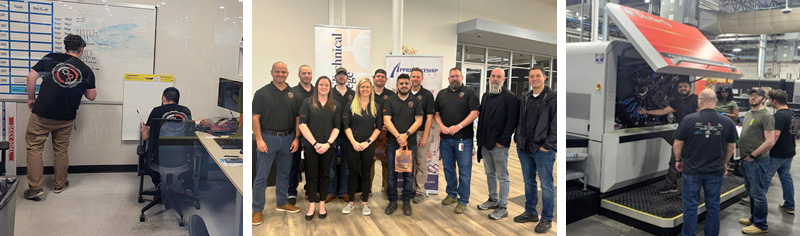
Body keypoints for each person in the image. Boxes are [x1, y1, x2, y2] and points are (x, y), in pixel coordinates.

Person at [23, 34, 97, 199]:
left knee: (34, 148)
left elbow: (31, 78)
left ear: (66, 46)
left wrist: (31, 98)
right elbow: (92, 96)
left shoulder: (51, 58)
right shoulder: (85, 70)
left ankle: (35, 189)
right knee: (61, 150)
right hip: (66, 117)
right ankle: (59, 185)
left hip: (42, 113)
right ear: (82, 49)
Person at [673, 89, 737, 236]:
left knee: (690, 206)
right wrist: (725, 163)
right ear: (715, 101)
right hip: (715, 171)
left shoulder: (689, 119)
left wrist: (678, 160)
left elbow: (677, 143)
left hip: (691, 170)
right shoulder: (727, 121)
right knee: (713, 205)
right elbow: (732, 146)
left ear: (700, 101)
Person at [252, 61, 302, 225]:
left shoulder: (293, 94)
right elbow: (255, 118)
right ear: (271, 72)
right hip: (267, 139)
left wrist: (296, 138)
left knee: (284, 174)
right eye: (277, 72)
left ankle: (282, 202)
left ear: (287, 73)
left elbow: (297, 119)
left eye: (283, 72)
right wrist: (259, 139)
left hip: (288, 139)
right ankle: (257, 210)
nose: (280, 74)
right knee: (261, 177)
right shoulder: (262, 93)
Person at [637, 77, 699, 194]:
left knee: (691, 164)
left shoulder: (696, 99)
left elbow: (703, 113)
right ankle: (671, 185)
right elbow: (663, 111)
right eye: (680, 87)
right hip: (681, 136)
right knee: (674, 161)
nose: (683, 89)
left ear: (690, 88)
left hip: (694, 136)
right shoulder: (676, 102)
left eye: (685, 86)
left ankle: (690, 191)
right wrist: (646, 112)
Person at [514, 66, 557, 233]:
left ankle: (547, 218)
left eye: (537, 76)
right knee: (529, 181)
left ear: (544, 77)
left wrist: (548, 145)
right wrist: (517, 139)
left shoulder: (553, 98)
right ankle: (531, 212)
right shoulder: (525, 97)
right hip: (524, 147)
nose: (534, 79)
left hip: (543, 150)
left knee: (546, 185)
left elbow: (556, 124)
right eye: (531, 76)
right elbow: (520, 120)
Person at [434, 68, 479, 214]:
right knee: (448, 169)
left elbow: (474, 113)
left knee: (464, 171)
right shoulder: (441, 94)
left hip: (463, 140)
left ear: (462, 77)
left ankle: (463, 200)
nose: (454, 78)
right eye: (452, 76)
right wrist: (442, 127)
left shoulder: (469, 92)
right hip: (446, 139)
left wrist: (458, 126)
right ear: (448, 79)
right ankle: (452, 194)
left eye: (457, 76)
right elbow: (436, 114)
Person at [476, 68, 519, 220]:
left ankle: (503, 206)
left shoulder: (510, 97)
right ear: (489, 78)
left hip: (499, 145)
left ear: (504, 79)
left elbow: (511, 122)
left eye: (498, 77)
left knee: (502, 176)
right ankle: (492, 199)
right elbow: (482, 120)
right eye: (493, 76)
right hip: (485, 143)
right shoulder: (486, 95)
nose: (495, 79)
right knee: (489, 173)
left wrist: (502, 142)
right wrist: (479, 141)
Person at [298, 76, 341, 221]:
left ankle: (322, 205)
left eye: (326, 85)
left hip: (328, 147)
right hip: (311, 147)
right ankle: (311, 206)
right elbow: (303, 125)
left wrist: (328, 144)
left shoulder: (335, 104)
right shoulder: (308, 102)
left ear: (330, 87)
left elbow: (337, 127)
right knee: (311, 176)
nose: (324, 87)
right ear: (317, 86)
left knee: (325, 175)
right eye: (321, 84)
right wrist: (315, 144)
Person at [139, 87, 194, 195]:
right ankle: (188, 188)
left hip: (157, 161)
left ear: (164, 99)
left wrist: (143, 130)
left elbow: (145, 137)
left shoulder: (156, 111)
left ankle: (159, 183)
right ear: (178, 99)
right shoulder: (185, 111)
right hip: (182, 160)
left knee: (147, 157)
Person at [383, 73, 422, 216]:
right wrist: (398, 136)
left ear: (410, 85)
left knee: (408, 175)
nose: (404, 85)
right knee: (392, 174)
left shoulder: (415, 101)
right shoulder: (390, 100)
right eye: (401, 83)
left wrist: (405, 135)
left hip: (408, 144)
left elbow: (419, 120)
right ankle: (392, 202)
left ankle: (406, 202)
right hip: (393, 143)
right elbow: (387, 120)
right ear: (397, 86)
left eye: (406, 83)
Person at [341, 78, 382, 216]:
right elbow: (346, 126)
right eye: (362, 87)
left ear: (371, 89)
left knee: (366, 174)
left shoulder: (375, 106)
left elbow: (378, 128)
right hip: (352, 144)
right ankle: (351, 202)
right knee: (352, 173)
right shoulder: (350, 105)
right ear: (358, 89)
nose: (365, 89)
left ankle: (365, 203)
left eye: (367, 87)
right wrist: (353, 142)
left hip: (368, 145)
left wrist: (368, 142)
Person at [738, 88, 775, 234]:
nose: (753, 98)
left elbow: (770, 141)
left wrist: (753, 155)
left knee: (758, 193)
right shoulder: (749, 113)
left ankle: (761, 225)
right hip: (747, 159)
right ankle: (754, 218)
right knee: (751, 191)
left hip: (757, 160)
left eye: (757, 96)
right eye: (751, 95)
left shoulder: (766, 116)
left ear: (764, 99)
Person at [288, 65, 315, 205]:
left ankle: (309, 190)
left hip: (314, 136)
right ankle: (292, 191)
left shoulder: (318, 91)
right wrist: (296, 137)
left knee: (311, 165)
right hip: (296, 134)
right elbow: (292, 116)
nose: (306, 75)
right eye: (303, 73)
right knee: (294, 164)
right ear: (299, 75)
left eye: (309, 73)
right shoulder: (292, 92)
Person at [327, 67, 355, 203]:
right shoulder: (329, 92)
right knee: (330, 164)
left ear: (347, 78)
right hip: (332, 133)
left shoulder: (354, 94)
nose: (342, 77)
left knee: (346, 164)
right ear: (335, 77)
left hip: (348, 134)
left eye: (344, 75)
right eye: (339, 75)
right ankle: (331, 191)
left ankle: (344, 191)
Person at [409, 67, 435, 204]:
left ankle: (420, 191)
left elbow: (429, 118)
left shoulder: (427, 95)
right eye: (413, 76)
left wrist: (425, 136)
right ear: (410, 78)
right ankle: (410, 189)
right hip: (407, 134)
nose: (415, 79)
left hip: (420, 133)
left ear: (422, 79)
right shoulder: (406, 92)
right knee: (409, 163)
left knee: (421, 163)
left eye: (418, 77)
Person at [767, 89, 795, 215]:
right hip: (789, 151)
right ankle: (789, 205)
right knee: (785, 177)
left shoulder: (779, 116)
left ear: (774, 101)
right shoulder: (791, 113)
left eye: (769, 100)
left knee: (765, 177)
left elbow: (775, 135)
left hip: (778, 153)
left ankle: (757, 201)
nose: (768, 102)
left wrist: (766, 148)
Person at [371, 69, 395, 193]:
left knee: (387, 163)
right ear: (374, 78)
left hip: (387, 134)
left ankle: (387, 190)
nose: (380, 78)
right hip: (371, 133)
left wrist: (388, 125)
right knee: (369, 163)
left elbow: (395, 113)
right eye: (378, 76)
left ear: (386, 80)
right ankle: (367, 190)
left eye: (382, 77)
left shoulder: (391, 95)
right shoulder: (367, 92)